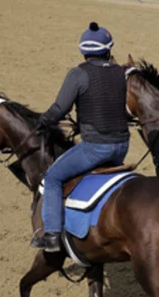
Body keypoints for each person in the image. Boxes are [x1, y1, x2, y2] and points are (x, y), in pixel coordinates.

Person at [31, 22, 129, 252]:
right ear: (108, 49)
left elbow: (59, 108)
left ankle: (53, 235)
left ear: (84, 51)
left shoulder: (78, 74)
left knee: (53, 176)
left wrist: (42, 121)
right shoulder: (120, 72)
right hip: (122, 145)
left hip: (97, 147)